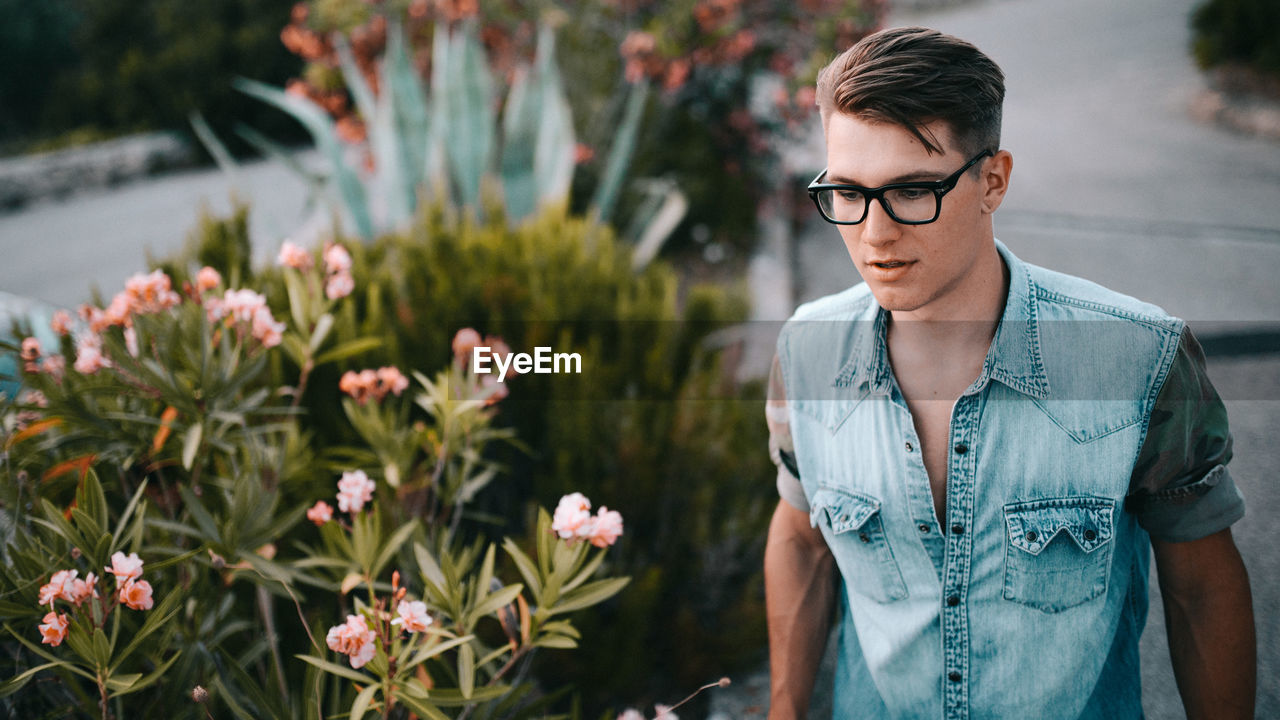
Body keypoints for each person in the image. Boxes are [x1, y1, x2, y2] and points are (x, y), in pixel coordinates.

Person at [763, 26, 1255, 720]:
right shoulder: (806, 351)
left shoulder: (1137, 358)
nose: (873, 235)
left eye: (911, 191)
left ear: (992, 180)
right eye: (847, 192)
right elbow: (801, 536)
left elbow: (1201, 588)